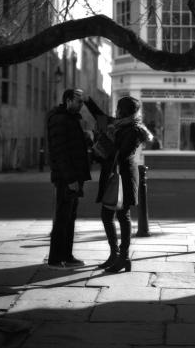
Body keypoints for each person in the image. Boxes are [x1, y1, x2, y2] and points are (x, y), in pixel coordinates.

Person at [84, 95, 153, 273]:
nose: (115, 111)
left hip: (124, 176)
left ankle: (124, 257)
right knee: (107, 215)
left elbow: (121, 153)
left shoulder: (134, 129)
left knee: (123, 216)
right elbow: (98, 115)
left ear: (122, 110)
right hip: (113, 174)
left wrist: (100, 142)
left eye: (118, 108)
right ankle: (114, 254)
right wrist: (87, 100)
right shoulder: (118, 124)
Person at [46, 88, 91, 270]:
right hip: (66, 178)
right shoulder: (59, 119)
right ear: (68, 100)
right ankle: (55, 259)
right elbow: (60, 152)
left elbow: (73, 147)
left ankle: (67, 255)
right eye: (79, 102)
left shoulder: (72, 118)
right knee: (62, 218)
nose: (81, 105)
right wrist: (71, 178)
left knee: (70, 218)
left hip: (74, 176)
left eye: (82, 102)